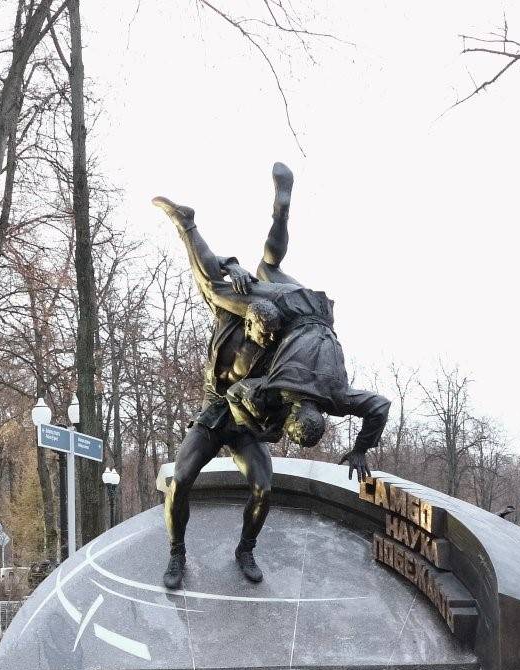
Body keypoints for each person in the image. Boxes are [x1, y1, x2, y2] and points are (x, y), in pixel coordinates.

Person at [153, 164, 390, 590]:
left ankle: (245, 549)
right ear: (250, 322)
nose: (265, 335)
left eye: (270, 332)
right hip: (217, 412)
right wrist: (231, 265)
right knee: (181, 480)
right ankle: (176, 552)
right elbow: (210, 276)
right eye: (259, 329)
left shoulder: (283, 345)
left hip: (250, 422)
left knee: (264, 487)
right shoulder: (235, 314)